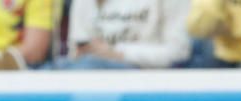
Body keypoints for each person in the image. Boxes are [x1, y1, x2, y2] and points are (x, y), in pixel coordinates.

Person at [57, 0, 191, 69]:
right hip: (91, 78)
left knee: (89, 65)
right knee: (58, 68)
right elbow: (76, 52)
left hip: (148, 77)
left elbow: (179, 52)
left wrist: (118, 54)